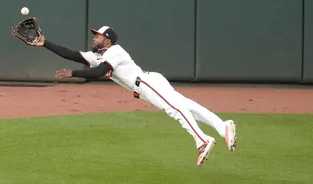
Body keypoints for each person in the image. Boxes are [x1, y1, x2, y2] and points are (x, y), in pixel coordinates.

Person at [32, 26, 237, 166]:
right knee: (186, 105)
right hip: (147, 85)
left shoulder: (115, 51)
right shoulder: (98, 55)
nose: (94, 38)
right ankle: (223, 126)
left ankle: (202, 139)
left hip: (147, 83)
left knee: (176, 109)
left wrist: (73, 73)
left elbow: (98, 73)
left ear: (108, 40)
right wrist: (45, 43)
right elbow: (71, 54)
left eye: (98, 35)